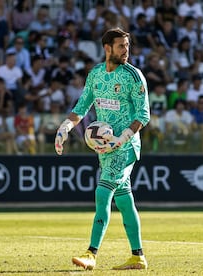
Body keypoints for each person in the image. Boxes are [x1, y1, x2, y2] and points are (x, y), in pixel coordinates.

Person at [55, 28, 150, 270]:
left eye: (127, 46)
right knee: (125, 201)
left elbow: (143, 114)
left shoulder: (134, 76)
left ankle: (91, 253)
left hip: (126, 146)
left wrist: (123, 138)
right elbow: (82, 105)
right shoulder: (96, 74)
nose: (126, 50)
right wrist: (65, 126)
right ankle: (138, 256)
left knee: (102, 192)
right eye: (121, 46)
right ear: (107, 48)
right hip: (105, 149)